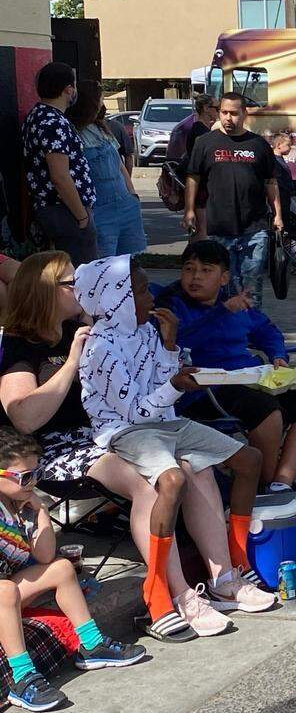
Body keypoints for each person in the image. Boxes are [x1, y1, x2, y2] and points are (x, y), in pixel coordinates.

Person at [0, 252, 242, 640]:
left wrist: (166, 348)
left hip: (110, 430)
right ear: (47, 292)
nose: (80, 288)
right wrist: (72, 361)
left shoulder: (86, 325)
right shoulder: (20, 344)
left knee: (196, 462)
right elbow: (24, 418)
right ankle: (175, 593)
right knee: (147, 481)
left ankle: (223, 578)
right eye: (69, 283)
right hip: (54, 450)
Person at [75, 255, 275, 641]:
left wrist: (169, 346)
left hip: (163, 422)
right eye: (142, 289)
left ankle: (230, 570)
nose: (151, 296)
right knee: (170, 481)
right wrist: (177, 385)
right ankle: (163, 593)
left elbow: (161, 394)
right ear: (116, 298)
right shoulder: (100, 348)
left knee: (247, 459)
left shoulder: (146, 330)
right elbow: (134, 411)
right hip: (125, 430)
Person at [156, 241, 296, 494]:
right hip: (203, 389)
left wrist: (278, 355)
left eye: (206, 270)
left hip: (248, 379)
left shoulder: (235, 304)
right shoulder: (173, 306)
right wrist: (221, 313)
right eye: (189, 269)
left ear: (224, 277)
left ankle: (284, 479)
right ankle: (268, 483)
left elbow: (266, 330)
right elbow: (179, 341)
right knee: (267, 410)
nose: (195, 277)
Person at [0, 428, 145, 711]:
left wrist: (40, 510)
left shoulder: (21, 504)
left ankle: (91, 645)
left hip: (6, 592)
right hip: (4, 591)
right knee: (5, 590)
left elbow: (43, 556)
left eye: (36, 474)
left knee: (61, 568)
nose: (33, 482)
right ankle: (22, 678)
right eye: (25, 477)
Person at [184, 93, 283, 308]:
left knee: (251, 286)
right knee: (222, 287)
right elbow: (193, 177)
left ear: (245, 114)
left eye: (234, 113)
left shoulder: (259, 145)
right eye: (224, 112)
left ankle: (250, 329)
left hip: (254, 228)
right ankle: (225, 330)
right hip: (219, 227)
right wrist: (189, 210)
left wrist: (278, 215)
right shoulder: (205, 143)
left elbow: (271, 182)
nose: (229, 118)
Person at [20, 62, 98, 264]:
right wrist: (82, 217)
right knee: (80, 274)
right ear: (68, 89)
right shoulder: (54, 123)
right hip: (65, 211)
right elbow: (60, 176)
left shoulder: (37, 115)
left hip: (52, 208)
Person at [62, 80, 147, 260]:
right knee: (103, 267)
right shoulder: (72, 132)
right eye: (99, 99)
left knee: (131, 266)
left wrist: (132, 195)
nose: (102, 104)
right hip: (99, 210)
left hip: (125, 205)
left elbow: (119, 164)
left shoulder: (102, 127)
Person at [168, 94, 220, 241]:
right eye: (216, 108)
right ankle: (198, 259)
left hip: (202, 188)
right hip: (201, 188)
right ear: (206, 109)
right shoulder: (200, 132)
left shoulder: (202, 130)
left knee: (200, 230)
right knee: (201, 232)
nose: (218, 111)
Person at [101, 105, 135, 175]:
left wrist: (127, 181)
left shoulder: (116, 127)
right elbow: (129, 157)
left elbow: (128, 156)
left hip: (116, 176)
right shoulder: (82, 130)